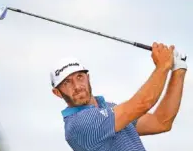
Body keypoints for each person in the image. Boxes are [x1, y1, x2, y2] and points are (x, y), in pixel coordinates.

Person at [50, 42, 187, 151]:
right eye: (67, 82)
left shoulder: (108, 108)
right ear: (57, 93)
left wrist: (178, 69)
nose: (77, 86)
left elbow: (160, 122)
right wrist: (163, 66)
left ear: (88, 78)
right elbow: (143, 103)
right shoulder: (78, 124)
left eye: (79, 77)